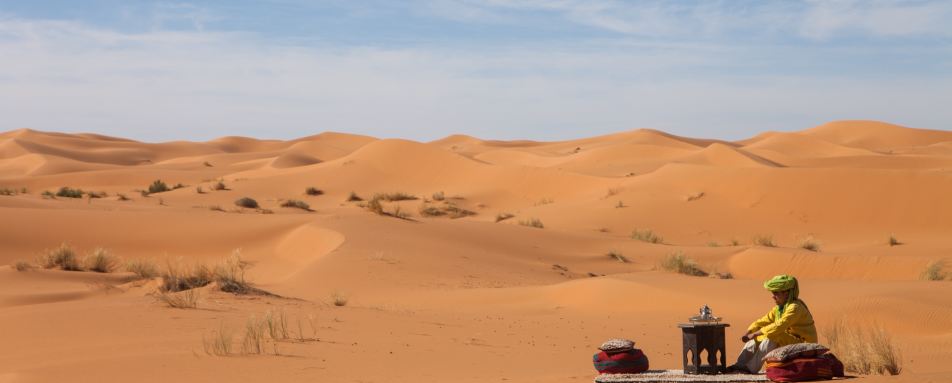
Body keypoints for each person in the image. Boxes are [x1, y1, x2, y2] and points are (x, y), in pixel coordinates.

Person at [729, 274, 817, 374]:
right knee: (757, 338)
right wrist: (748, 332)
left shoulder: (795, 308)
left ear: (786, 293)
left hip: (805, 346)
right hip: (789, 341)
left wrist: (755, 333)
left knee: (772, 334)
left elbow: (779, 326)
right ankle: (739, 365)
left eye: (776, 293)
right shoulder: (779, 308)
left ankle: (750, 368)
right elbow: (763, 321)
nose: (773, 296)